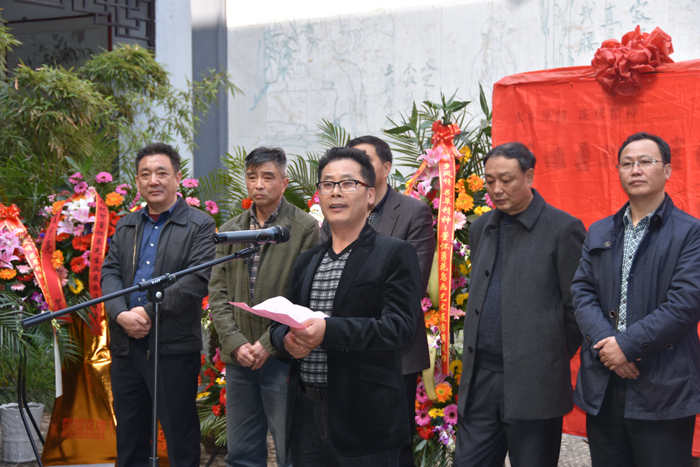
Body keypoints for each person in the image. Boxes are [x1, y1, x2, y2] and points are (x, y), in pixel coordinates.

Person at [270, 147, 423, 466]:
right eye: (327, 184)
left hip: (365, 418)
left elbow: (400, 329)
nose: (335, 192)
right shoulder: (307, 260)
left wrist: (329, 330)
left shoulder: (394, 253)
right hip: (306, 414)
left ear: (370, 195)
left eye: (347, 183)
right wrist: (283, 339)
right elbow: (281, 322)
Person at [571, 132, 700, 467]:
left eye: (646, 161)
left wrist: (627, 346)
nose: (636, 170)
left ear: (668, 170)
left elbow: (686, 302)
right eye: (627, 163)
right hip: (604, 382)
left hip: (663, 384)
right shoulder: (600, 231)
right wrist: (607, 344)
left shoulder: (690, 232)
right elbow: (581, 292)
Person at [454, 142, 586, 467]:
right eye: (489, 181)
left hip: (534, 382)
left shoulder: (562, 229)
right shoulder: (480, 227)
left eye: (506, 179)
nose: (497, 189)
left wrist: (548, 355)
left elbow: (577, 309)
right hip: (480, 378)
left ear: (529, 176)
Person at [320, 135, 435, 466]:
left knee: (392, 447)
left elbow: (409, 284)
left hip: (393, 350)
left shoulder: (413, 212)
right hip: (342, 348)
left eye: (365, 160)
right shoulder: (336, 211)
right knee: (349, 445)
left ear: (385, 168)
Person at [102, 143, 216, 467]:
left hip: (172, 348)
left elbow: (195, 281)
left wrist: (147, 312)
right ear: (137, 182)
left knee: (180, 437)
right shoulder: (126, 225)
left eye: (162, 173)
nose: (154, 180)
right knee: (130, 436)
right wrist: (120, 312)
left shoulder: (199, 225)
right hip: (127, 345)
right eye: (145, 174)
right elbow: (110, 271)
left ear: (178, 178)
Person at [208, 147, 319, 467]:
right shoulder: (231, 229)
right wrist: (236, 343)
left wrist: (267, 343)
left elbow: (304, 296)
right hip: (239, 359)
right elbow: (217, 293)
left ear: (284, 183)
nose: (259, 184)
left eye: (268, 177)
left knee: (290, 449)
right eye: (252, 177)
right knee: (242, 452)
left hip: (282, 355)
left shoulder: (303, 229)